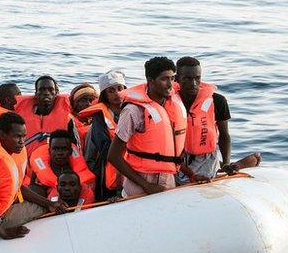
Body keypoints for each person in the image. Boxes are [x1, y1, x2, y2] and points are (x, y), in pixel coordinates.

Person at [0, 112, 62, 239]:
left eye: (24, 137)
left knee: (44, 201)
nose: (22, 142)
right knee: (40, 208)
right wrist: (4, 233)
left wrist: (48, 202)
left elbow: (16, 186)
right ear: (2, 135)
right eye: (17, 137)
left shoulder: (6, 155)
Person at [107, 57, 194, 197]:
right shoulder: (133, 110)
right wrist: (145, 185)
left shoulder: (172, 104)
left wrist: (191, 175)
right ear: (150, 80)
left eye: (172, 78)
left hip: (168, 179)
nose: (170, 84)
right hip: (139, 184)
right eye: (164, 79)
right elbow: (113, 156)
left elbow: (170, 155)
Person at [175, 56, 261, 182]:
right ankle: (241, 163)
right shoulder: (169, 102)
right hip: (176, 158)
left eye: (197, 78)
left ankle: (229, 165)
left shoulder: (217, 101)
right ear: (177, 79)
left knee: (208, 177)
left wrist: (226, 162)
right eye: (187, 78)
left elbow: (224, 135)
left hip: (205, 157)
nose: (193, 83)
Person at [81, 70, 126, 201]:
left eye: (119, 88)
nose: (117, 93)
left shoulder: (132, 109)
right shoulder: (99, 117)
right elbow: (105, 148)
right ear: (105, 95)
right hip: (105, 168)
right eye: (111, 90)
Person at [28, 129, 96, 205]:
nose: (59, 153)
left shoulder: (79, 171)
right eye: (56, 149)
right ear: (49, 151)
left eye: (64, 149)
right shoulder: (38, 175)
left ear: (70, 151)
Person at [14, 75, 77, 153]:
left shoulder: (68, 119)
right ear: (36, 94)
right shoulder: (19, 118)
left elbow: (75, 147)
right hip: (26, 162)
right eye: (42, 90)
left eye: (50, 90)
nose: (46, 93)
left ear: (56, 93)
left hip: (56, 163)